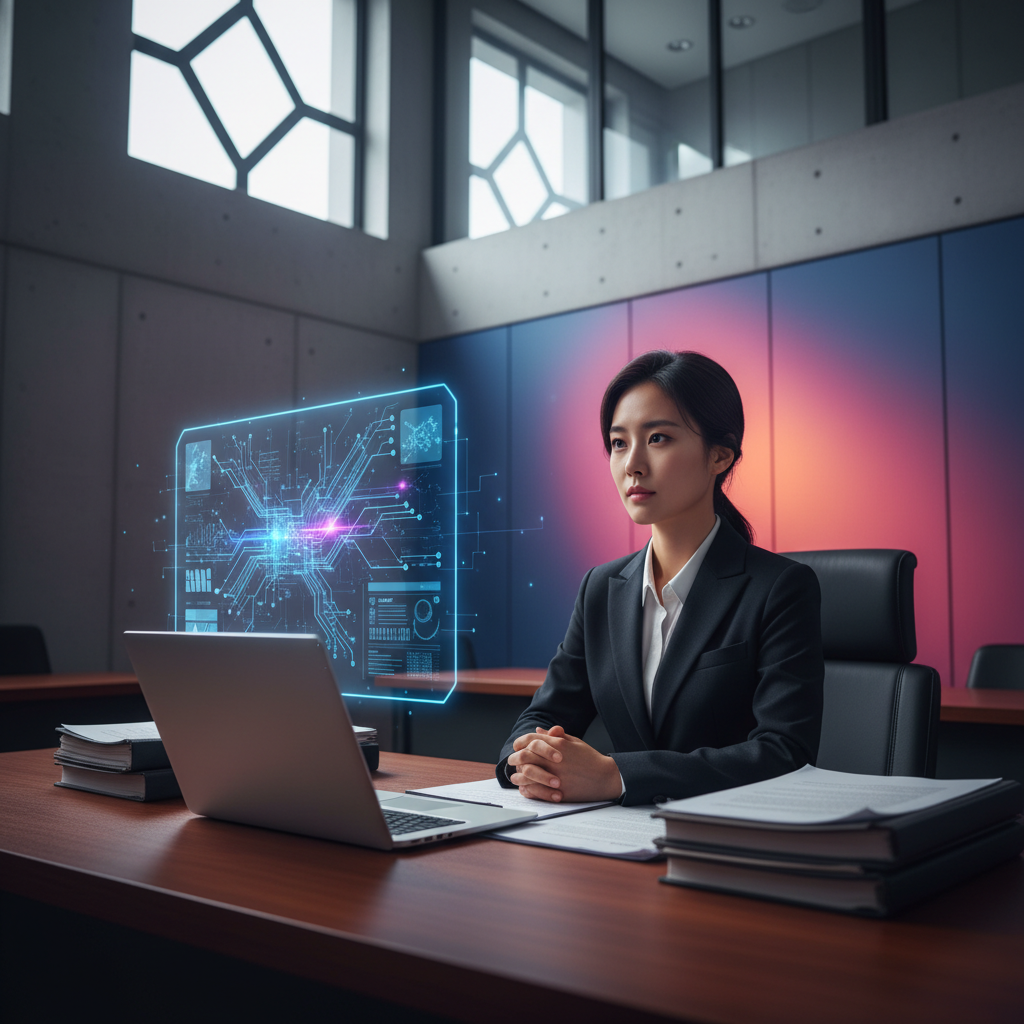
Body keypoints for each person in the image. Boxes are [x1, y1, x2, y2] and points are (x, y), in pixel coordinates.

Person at [496, 350, 823, 806]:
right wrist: (531, 758)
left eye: (659, 438)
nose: (632, 464)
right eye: (618, 443)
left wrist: (619, 776)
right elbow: (546, 713)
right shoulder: (601, 588)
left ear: (720, 455)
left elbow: (784, 751)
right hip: (610, 840)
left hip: (726, 842)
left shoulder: (781, 589)